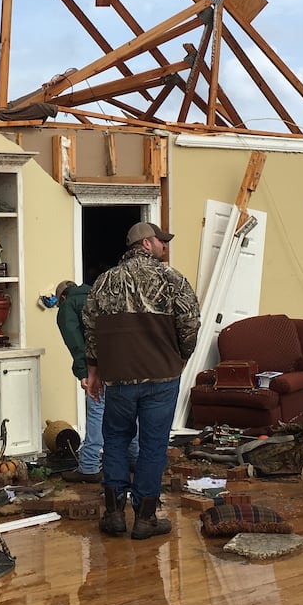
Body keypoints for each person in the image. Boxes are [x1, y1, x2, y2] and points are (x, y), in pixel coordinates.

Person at [83, 221, 200, 540]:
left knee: (116, 441)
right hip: (161, 377)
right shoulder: (172, 279)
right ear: (146, 244)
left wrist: (93, 371)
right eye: (161, 241)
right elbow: (190, 322)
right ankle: (145, 518)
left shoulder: (104, 282)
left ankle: (114, 515)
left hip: (119, 379)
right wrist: (182, 357)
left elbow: (90, 329)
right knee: (153, 445)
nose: (165, 246)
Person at [55, 279, 139, 484]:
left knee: (97, 410)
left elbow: (76, 342)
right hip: (130, 361)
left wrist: (84, 372)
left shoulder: (68, 306)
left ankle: (89, 466)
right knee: (129, 410)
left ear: (62, 297)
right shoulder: (103, 294)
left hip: (101, 364)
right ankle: (135, 458)